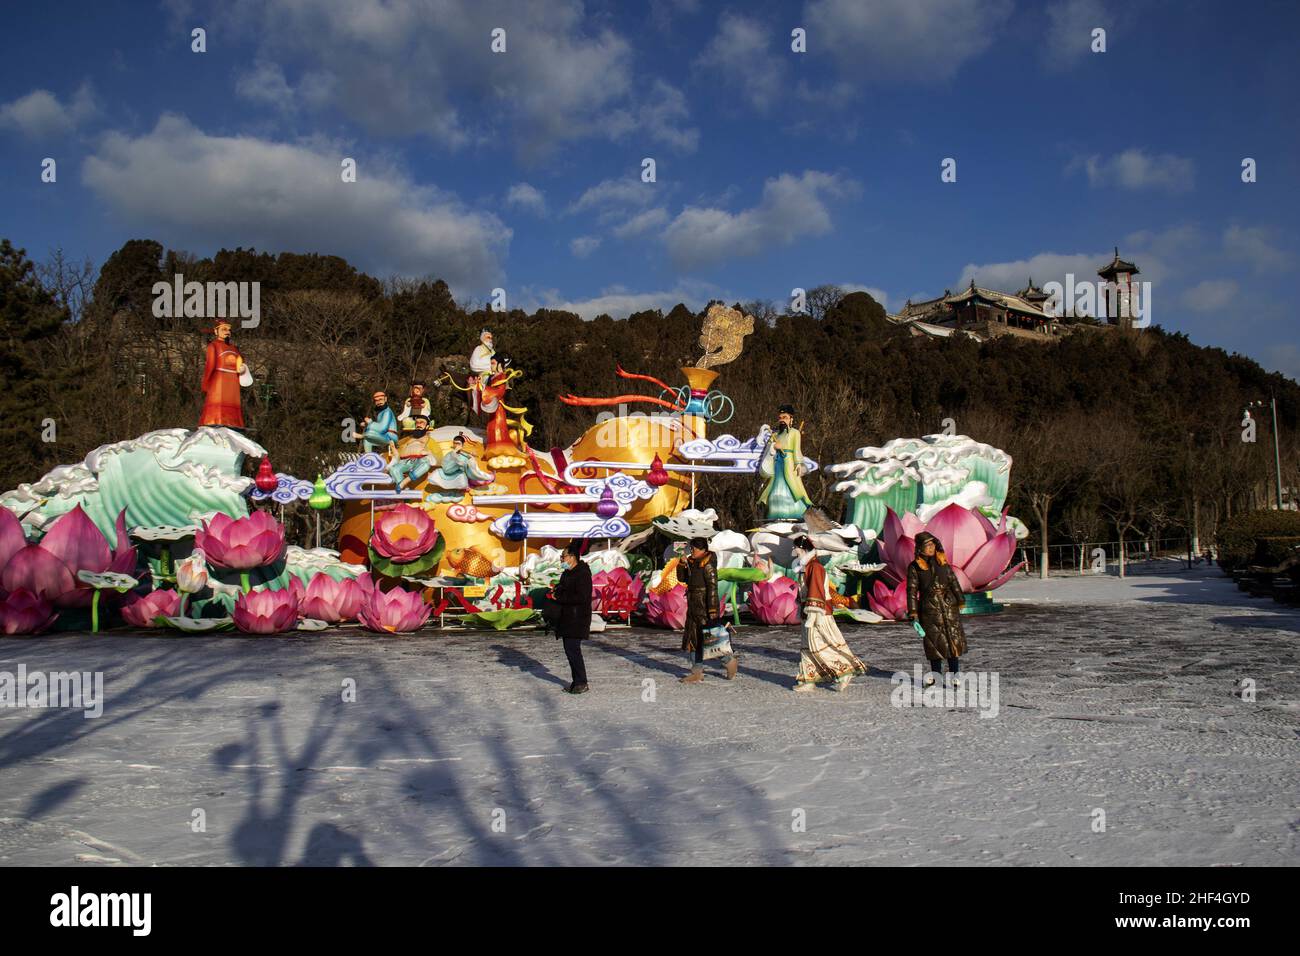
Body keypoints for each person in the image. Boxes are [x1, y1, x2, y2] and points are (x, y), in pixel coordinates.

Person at [791, 536, 868, 692]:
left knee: (821, 645)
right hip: (809, 613)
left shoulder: (815, 567)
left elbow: (816, 591)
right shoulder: (806, 567)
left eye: (796, 548)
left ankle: (844, 671)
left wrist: (813, 614)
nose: (794, 551)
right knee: (807, 647)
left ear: (803, 549)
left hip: (818, 613)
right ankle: (809, 679)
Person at [906, 531, 967, 687]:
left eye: (932, 544)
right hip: (929, 609)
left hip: (948, 607)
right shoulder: (915, 567)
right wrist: (912, 611)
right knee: (934, 644)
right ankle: (936, 675)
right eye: (927, 545)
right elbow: (912, 590)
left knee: (953, 641)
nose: (931, 548)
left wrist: (960, 599)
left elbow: (953, 582)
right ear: (919, 548)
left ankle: (955, 674)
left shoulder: (942, 562)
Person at [680, 537, 738, 683]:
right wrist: (681, 565)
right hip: (693, 606)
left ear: (702, 549)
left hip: (704, 607)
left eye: (694, 548)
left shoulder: (708, 566)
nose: (691, 550)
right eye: (691, 548)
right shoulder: (692, 563)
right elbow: (683, 578)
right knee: (693, 640)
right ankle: (696, 671)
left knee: (710, 639)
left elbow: (712, 588)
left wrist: (712, 610)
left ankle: (729, 661)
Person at [551, 540, 593, 694]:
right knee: (570, 651)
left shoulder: (582, 574)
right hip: (567, 618)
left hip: (577, 619)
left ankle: (581, 682)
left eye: (564, 556)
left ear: (573, 557)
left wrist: (560, 597)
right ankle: (577, 681)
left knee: (573, 650)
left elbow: (581, 597)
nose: (562, 559)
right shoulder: (567, 573)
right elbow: (564, 591)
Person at [757, 404, 812, 521]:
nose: (782, 420)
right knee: (775, 488)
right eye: (780, 417)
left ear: (791, 419)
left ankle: (795, 512)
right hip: (777, 464)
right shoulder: (775, 435)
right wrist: (773, 446)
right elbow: (769, 450)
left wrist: (798, 463)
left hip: (789, 463)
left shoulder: (795, 433)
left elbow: (797, 449)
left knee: (793, 487)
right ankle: (775, 513)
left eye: (785, 417)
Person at [199, 320, 247, 428]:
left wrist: (242, 369)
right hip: (219, 378)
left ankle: (233, 422)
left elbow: (239, 363)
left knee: (232, 401)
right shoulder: (214, 346)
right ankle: (213, 420)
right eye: (224, 329)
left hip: (233, 380)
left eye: (229, 330)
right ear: (216, 331)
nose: (227, 332)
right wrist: (206, 382)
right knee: (217, 402)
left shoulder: (234, 349)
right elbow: (210, 365)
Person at [423, 433, 496, 502]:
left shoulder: (465, 455)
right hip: (448, 473)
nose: (456, 445)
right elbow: (446, 467)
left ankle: (487, 477)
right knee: (438, 473)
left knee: (465, 474)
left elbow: (471, 467)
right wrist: (454, 453)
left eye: (458, 443)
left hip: (460, 475)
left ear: (462, 445)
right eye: (454, 443)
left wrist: (471, 458)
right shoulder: (450, 454)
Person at [387, 415, 435, 490]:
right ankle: (405, 489)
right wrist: (392, 448)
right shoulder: (408, 439)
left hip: (418, 461)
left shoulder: (429, 439)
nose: (418, 425)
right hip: (405, 462)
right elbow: (398, 453)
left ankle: (405, 482)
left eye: (422, 423)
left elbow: (436, 456)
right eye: (417, 423)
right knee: (394, 469)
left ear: (427, 426)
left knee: (426, 464)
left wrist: (428, 452)